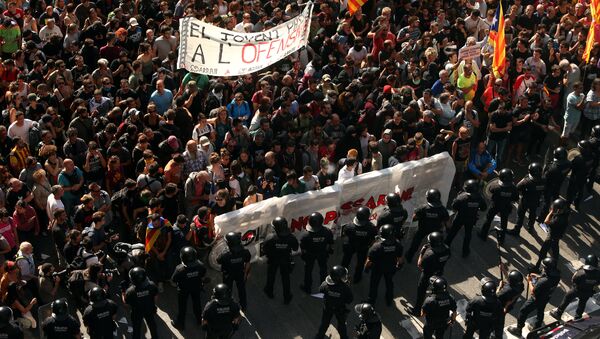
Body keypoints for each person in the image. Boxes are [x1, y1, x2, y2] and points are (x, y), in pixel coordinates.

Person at [508, 258, 561, 336]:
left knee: (523, 311)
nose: (542, 268)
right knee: (540, 310)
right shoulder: (557, 275)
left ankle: (518, 329)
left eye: (544, 267)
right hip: (546, 297)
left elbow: (533, 291)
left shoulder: (543, 281)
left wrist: (529, 281)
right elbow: (545, 277)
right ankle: (537, 326)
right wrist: (537, 276)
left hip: (536, 299)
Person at [408, 232, 451, 316]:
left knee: (421, 291)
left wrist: (421, 252)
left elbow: (420, 265)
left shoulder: (429, 254)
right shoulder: (447, 249)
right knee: (437, 289)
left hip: (428, 274)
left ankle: (417, 310)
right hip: (439, 272)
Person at [550, 254, 600, 320]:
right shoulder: (598, 273)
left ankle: (558, 313)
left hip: (576, 290)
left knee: (567, 299)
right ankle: (578, 316)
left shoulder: (581, 272)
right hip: (587, 292)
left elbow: (573, 279)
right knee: (582, 303)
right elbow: (597, 283)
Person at [261, 217, 299, 304]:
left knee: (271, 276)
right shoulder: (291, 238)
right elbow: (296, 248)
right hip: (285, 260)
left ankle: (269, 291)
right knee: (286, 278)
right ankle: (287, 297)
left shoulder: (270, 238)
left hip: (273, 259)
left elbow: (264, 249)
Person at [445, 179, 487, 257]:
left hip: (460, 217)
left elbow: (454, 206)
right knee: (468, 234)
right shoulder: (480, 198)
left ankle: (446, 246)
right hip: (471, 218)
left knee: (453, 232)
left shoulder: (461, 197)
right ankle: (465, 251)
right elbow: (484, 208)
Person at [405, 189, 449, 262]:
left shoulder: (423, 208)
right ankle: (430, 258)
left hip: (422, 229)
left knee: (415, 243)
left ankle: (409, 256)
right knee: (434, 245)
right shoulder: (443, 210)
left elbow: (414, 218)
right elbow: (447, 223)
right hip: (435, 231)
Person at [365, 224, 403, 306]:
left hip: (377, 269)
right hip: (390, 267)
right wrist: (399, 266)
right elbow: (400, 259)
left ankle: (371, 302)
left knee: (374, 285)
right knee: (389, 283)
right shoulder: (398, 244)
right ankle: (389, 299)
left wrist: (366, 268)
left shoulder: (376, 247)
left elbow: (369, 261)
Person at [478, 168, 518, 244]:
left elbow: (489, 191)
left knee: (488, 220)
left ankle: (483, 235)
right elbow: (515, 198)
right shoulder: (513, 188)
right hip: (506, 206)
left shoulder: (495, 186)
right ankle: (501, 239)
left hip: (495, 205)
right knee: (504, 222)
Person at [171, 246, 207, 330]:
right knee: (197, 303)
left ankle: (180, 324)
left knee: (182, 307)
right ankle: (199, 320)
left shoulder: (179, 269)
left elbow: (173, 279)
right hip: (196, 287)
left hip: (183, 290)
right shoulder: (200, 265)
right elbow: (203, 274)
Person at [299, 212, 334, 294]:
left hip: (310, 255)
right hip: (322, 253)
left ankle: (307, 288)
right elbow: (330, 243)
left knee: (308, 271)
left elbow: (303, 248)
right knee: (323, 270)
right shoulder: (327, 231)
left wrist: (303, 256)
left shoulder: (305, 235)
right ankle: (324, 288)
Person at [341, 207, 377, 283]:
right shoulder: (371, 227)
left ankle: (341, 275)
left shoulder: (349, 226)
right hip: (363, 247)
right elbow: (373, 238)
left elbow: (345, 234)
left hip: (351, 245)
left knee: (346, 261)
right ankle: (357, 278)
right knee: (360, 263)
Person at [315, 266, 353, 339]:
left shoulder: (325, 284)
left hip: (327, 307)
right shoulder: (345, 288)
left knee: (324, 323)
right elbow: (350, 300)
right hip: (340, 309)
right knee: (342, 325)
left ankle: (319, 337)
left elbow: (320, 291)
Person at [532, 198, 570, 271]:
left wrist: (551, 212)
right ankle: (554, 267)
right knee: (555, 252)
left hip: (552, 236)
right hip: (557, 236)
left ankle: (537, 267)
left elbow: (546, 221)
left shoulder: (558, 219)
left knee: (543, 253)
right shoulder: (565, 214)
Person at [217, 232, 251, 310]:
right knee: (242, 290)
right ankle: (244, 306)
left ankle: (227, 306)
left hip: (228, 275)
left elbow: (218, 261)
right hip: (240, 273)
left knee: (227, 291)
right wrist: (246, 273)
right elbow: (248, 262)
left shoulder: (225, 254)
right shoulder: (245, 251)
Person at [508, 162, 544, 236]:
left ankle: (516, 230)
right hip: (536, 200)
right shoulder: (544, 180)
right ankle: (530, 227)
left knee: (520, 215)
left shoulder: (526, 181)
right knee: (533, 214)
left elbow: (517, 187)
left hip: (525, 201)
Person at [123, 267, 159, 339]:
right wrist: (151, 304)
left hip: (137, 312)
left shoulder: (130, 291)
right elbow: (155, 297)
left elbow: (126, 304)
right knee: (152, 324)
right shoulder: (152, 285)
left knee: (136, 328)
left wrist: (123, 293)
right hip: (149, 309)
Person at [538, 147, 571, 221]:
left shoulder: (553, 168)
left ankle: (541, 218)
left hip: (549, 186)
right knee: (556, 198)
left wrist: (545, 169)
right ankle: (557, 213)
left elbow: (544, 178)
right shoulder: (569, 164)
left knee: (547, 202)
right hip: (558, 184)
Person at [566, 140, 595, 209]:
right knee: (580, 191)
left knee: (570, 193)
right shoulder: (592, 156)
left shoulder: (578, 159)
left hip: (575, 178)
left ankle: (567, 205)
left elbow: (570, 167)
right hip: (584, 177)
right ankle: (577, 205)